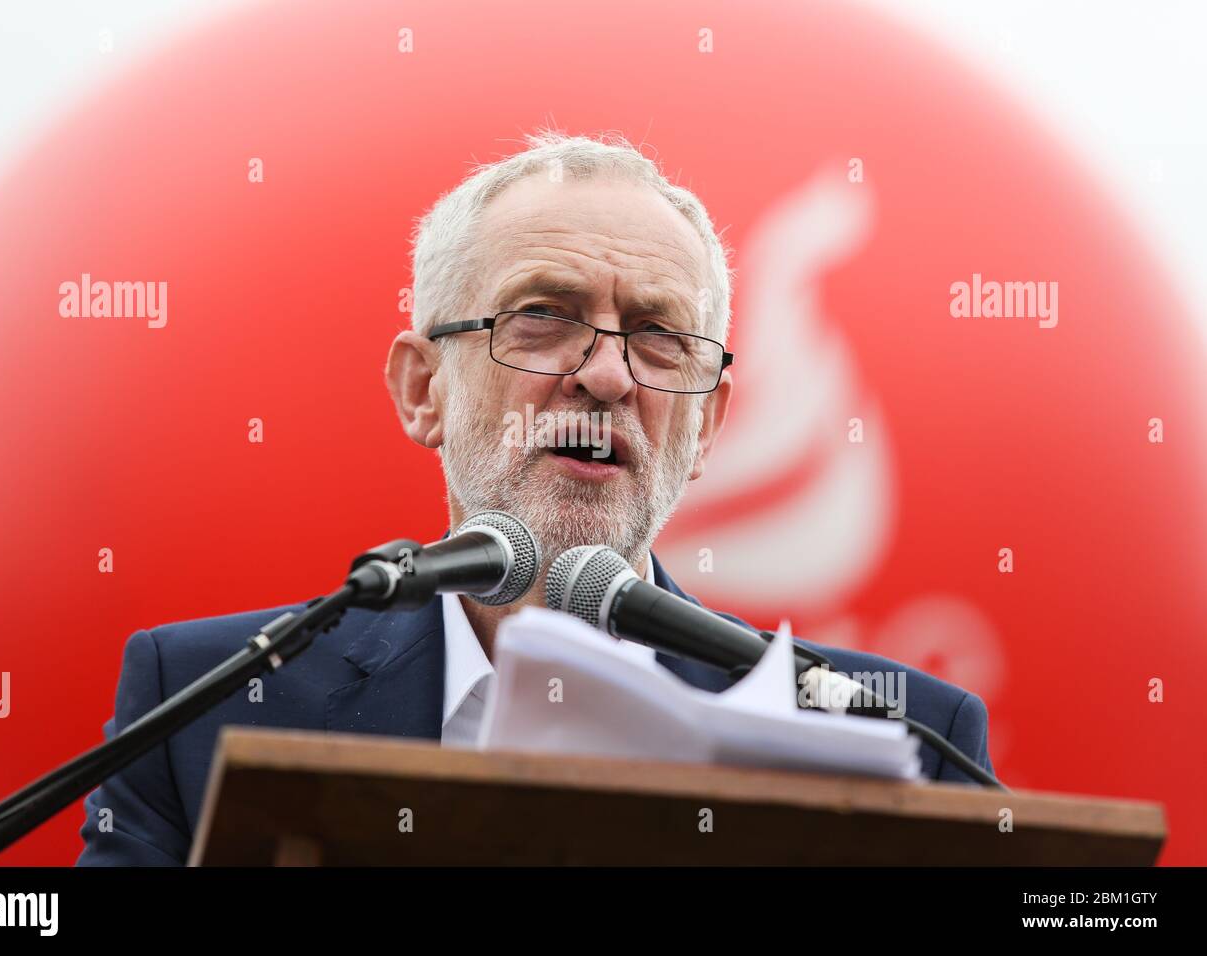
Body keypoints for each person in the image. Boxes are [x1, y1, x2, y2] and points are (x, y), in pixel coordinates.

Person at [77, 131, 992, 866]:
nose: (604, 375)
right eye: (544, 316)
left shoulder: (892, 734)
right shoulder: (207, 705)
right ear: (423, 390)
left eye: (660, 336)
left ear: (707, 426)